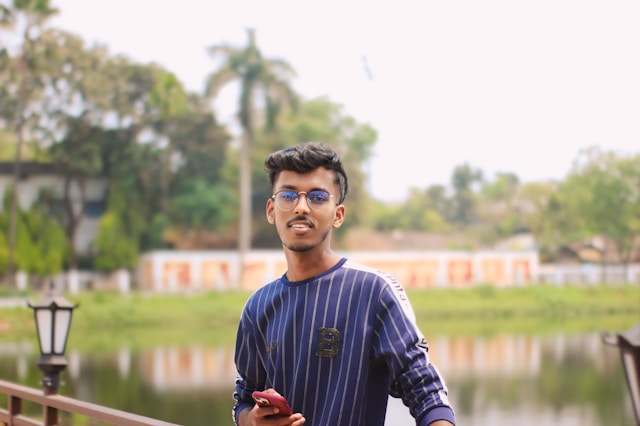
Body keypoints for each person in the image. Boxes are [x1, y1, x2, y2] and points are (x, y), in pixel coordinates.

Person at [232, 142, 455, 426]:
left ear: (337, 214)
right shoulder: (258, 306)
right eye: (288, 195)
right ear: (271, 210)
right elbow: (245, 396)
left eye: (317, 197)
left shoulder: (373, 292)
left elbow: (426, 392)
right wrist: (251, 419)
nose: (301, 207)